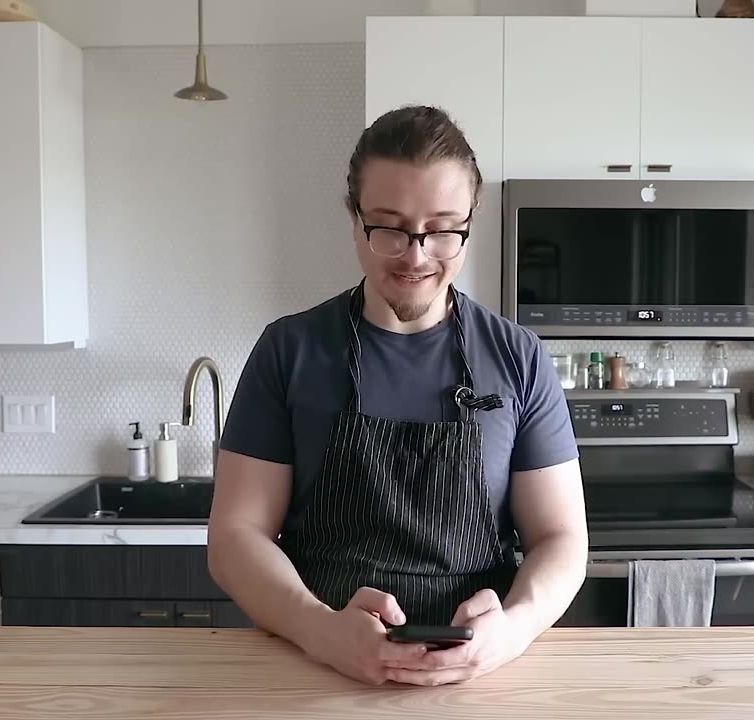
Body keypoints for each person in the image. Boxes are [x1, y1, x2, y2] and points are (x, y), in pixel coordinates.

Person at [207, 104, 587, 687]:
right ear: (352, 217)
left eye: (441, 229)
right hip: (317, 672)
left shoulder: (520, 357)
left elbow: (561, 538)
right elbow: (235, 537)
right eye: (388, 227)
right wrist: (320, 631)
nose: (416, 255)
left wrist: (513, 628)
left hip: (479, 679)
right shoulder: (288, 350)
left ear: (470, 219)